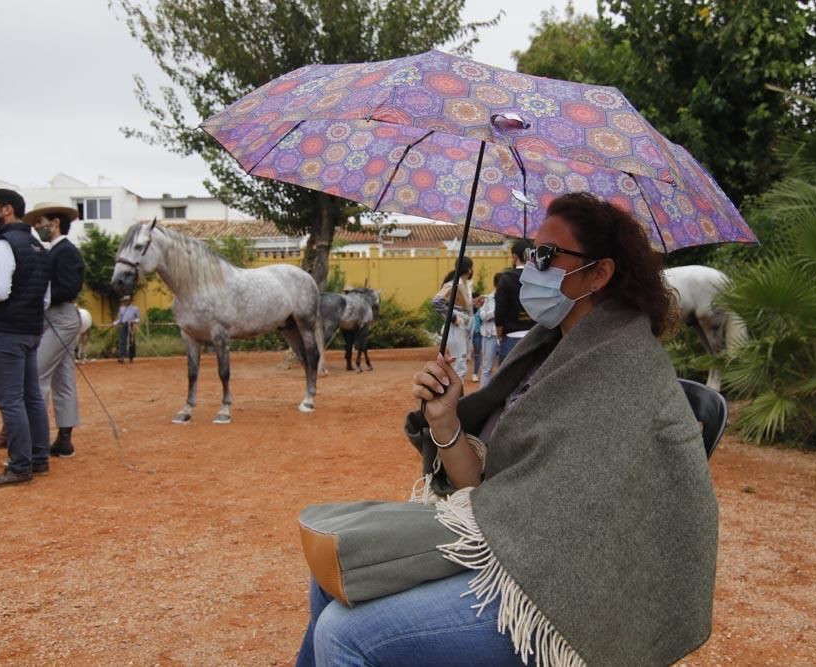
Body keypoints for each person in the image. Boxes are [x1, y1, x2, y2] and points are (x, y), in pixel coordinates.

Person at [296, 193, 718, 665]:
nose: (529, 268)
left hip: (561, 589)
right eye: (531, 252)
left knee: (344, 634)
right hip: (512, 545)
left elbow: (565, 523)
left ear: (599, 273)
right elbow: (487, 486)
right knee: (332, 571)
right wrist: (446, 421)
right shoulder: (549, 348)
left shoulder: (622, 366)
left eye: (546, 255)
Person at [0, 189, 51, 486]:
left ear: (6, 210)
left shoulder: (2, 245)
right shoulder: (37, 245)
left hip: (6, 332)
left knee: (11, 400)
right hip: (31, 330)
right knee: (32, 397)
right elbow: (45, 298)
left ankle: (19, 465)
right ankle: (39, 458)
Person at [26, 202, 84, 457]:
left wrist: (39, 295)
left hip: (61, 317)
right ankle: (64, 438)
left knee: (37, 375)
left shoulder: (65, 252)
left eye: (40, 222)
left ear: (56, 223)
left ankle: (34, 439)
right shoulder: (55, 251)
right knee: (63, 379)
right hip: (59, 317)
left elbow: (69, 288)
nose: (37, 227)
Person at [494, 237, 535, 363]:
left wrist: (499, 335)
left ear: (515, 257)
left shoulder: (506, 279)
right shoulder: (539, 278)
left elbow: (500, 311)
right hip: (536, 336)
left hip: (512, 338)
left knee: (507, 381)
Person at [433, 257, 474, 380]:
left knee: (461, 362)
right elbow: (437, 302)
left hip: (463, 325)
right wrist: (453, 317)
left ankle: (457, 394)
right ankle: (456, 395)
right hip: (456, 326)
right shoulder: (455, 284)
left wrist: (473, 304)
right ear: (469, 269)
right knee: (458, 364)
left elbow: (460, 304)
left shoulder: (463, 284)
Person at [474, 273, 502, 387]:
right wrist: (496, 312)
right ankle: (483, 395)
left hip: (504, 336)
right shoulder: (488, 298)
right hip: (489, 336)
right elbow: (482, 315)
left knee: (504, 367)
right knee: (487, 368)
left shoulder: (507, 298)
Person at [113, 295, 140, 363]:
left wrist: (134, 321)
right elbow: (119, 319)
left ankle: (131, 356)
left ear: (130, 301)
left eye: (127, 300)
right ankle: (121, 356)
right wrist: (115, 323)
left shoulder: (135, 308)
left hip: (131, 326)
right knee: (122, 340)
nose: (126, 302)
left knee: (132, 341)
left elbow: (138, 318)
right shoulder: (121, 308)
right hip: (123, 325)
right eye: (125, 301)